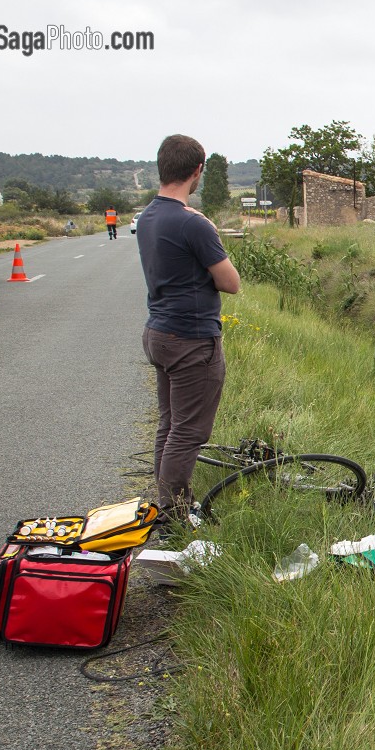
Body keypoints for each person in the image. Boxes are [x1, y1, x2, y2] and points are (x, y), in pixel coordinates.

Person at [138, 135, 240, 526]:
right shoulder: (192, 223)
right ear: (197, 171)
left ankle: (167, 503)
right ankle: (177, 516)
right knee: (188, 432)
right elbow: (231, 282)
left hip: (159, 333)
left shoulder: (148, 216)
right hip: (191, 339)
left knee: (170, 424)